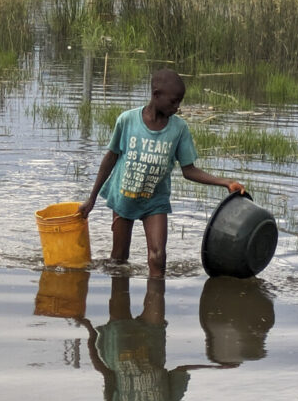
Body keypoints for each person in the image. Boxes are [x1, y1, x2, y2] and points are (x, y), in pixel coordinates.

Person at [78, 68, 245, 278]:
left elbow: (189, 169)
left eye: (179, 102)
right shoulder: (127, 121)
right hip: (124, 197)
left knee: (158, 258)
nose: (177, 107)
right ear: (156, 95)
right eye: (174, 101)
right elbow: (110, 159)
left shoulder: (179, 129)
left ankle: (156, 306)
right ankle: (119, 306)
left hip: (155, 200)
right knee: (118, 260)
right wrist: (91, 199)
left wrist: (226, 182)